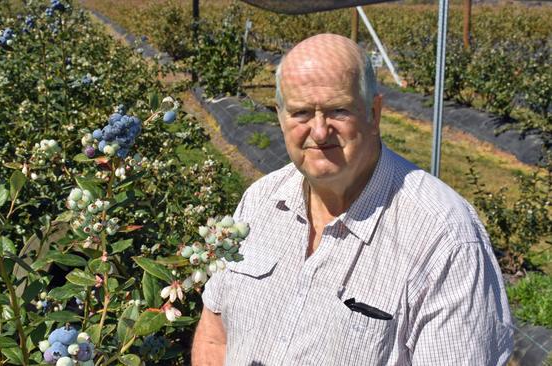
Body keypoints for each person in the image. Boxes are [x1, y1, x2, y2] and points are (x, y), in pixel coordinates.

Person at [191, 33, 513, 365]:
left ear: (374, 113)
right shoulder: (259, 201)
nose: (318, 131)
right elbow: (215, 336)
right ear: (280, 116)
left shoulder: (446, 240)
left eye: (338, 110)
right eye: (301, 112)